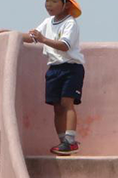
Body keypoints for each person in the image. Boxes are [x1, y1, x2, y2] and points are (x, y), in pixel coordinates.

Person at [24, 0, 85, 156]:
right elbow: (32, 37)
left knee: (67, 103)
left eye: (54, 1)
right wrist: (12, 34)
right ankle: (62, 141)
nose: (48, 5)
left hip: (71, 68)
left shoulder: (70, 23)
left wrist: (43, 39)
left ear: (65, 4)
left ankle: (70, 141)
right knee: (57, 107)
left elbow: (65, 45)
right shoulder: (47, 22)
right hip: (54, 68)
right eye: (47, 1)